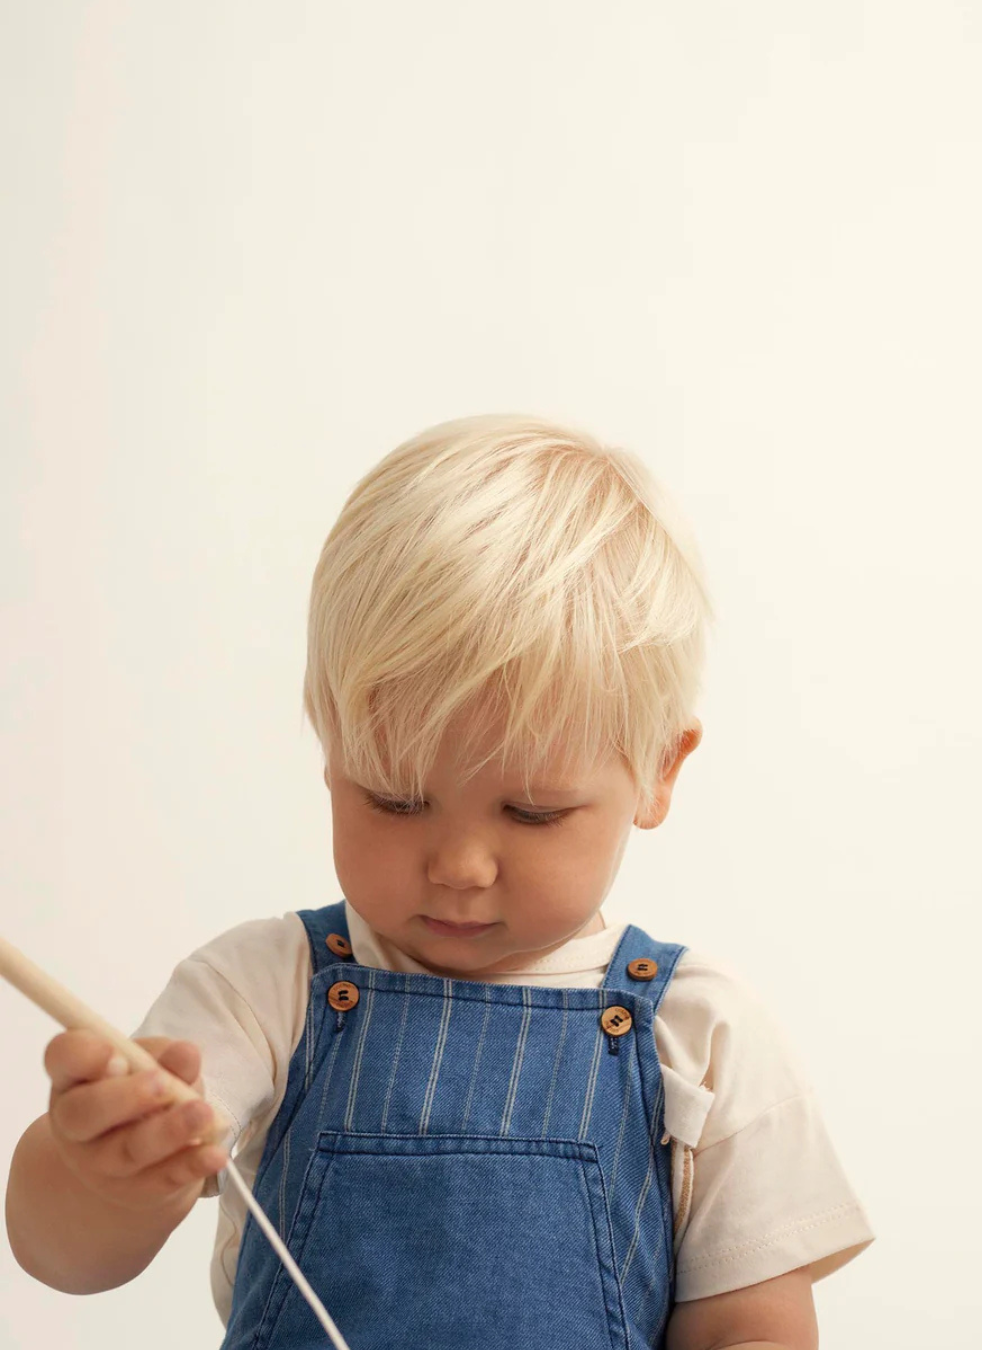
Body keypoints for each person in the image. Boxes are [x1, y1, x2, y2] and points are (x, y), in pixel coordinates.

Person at [6, 413, 875, 1348]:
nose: (459, 867)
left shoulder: (700, 1033)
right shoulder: (264, 992)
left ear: (661, 769)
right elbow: (66, 1258)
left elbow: (754, 1325)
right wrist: (100, 1176)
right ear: (331, 757)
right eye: (395, 799)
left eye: (532, 813)